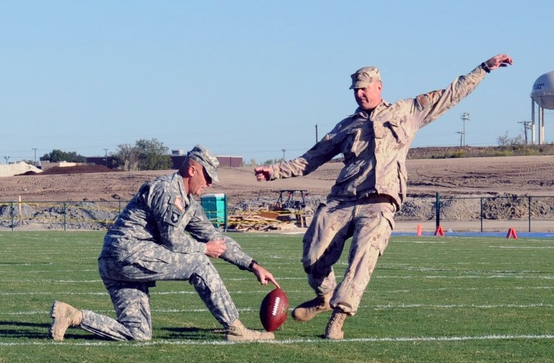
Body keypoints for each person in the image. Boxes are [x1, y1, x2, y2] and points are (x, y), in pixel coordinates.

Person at [255, 54, 514, 340]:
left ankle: (338, 319)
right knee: (313, 257)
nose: (360, 93)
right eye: (355, 90)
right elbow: (310, 159)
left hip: (380, 202)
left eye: (364, 88)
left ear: (379, 86)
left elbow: (451, 94)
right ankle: (325, 296)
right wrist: (274, 171)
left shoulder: (408, 111)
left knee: (361, 258)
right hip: (342, 200)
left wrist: (483, 69)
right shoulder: (345, 127)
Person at [51, 145, 279, 342]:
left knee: (138, 333)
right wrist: (203, 249)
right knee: (199, 263)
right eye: (207, 177)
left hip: (118, 263)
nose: (210, 184)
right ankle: (235, 328)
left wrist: (252, 265)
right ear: (192, 169)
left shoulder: (189, 203)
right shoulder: (168, 190)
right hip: (129, 254)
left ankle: (74, 316)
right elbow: (173, 240)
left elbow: (214, 238)